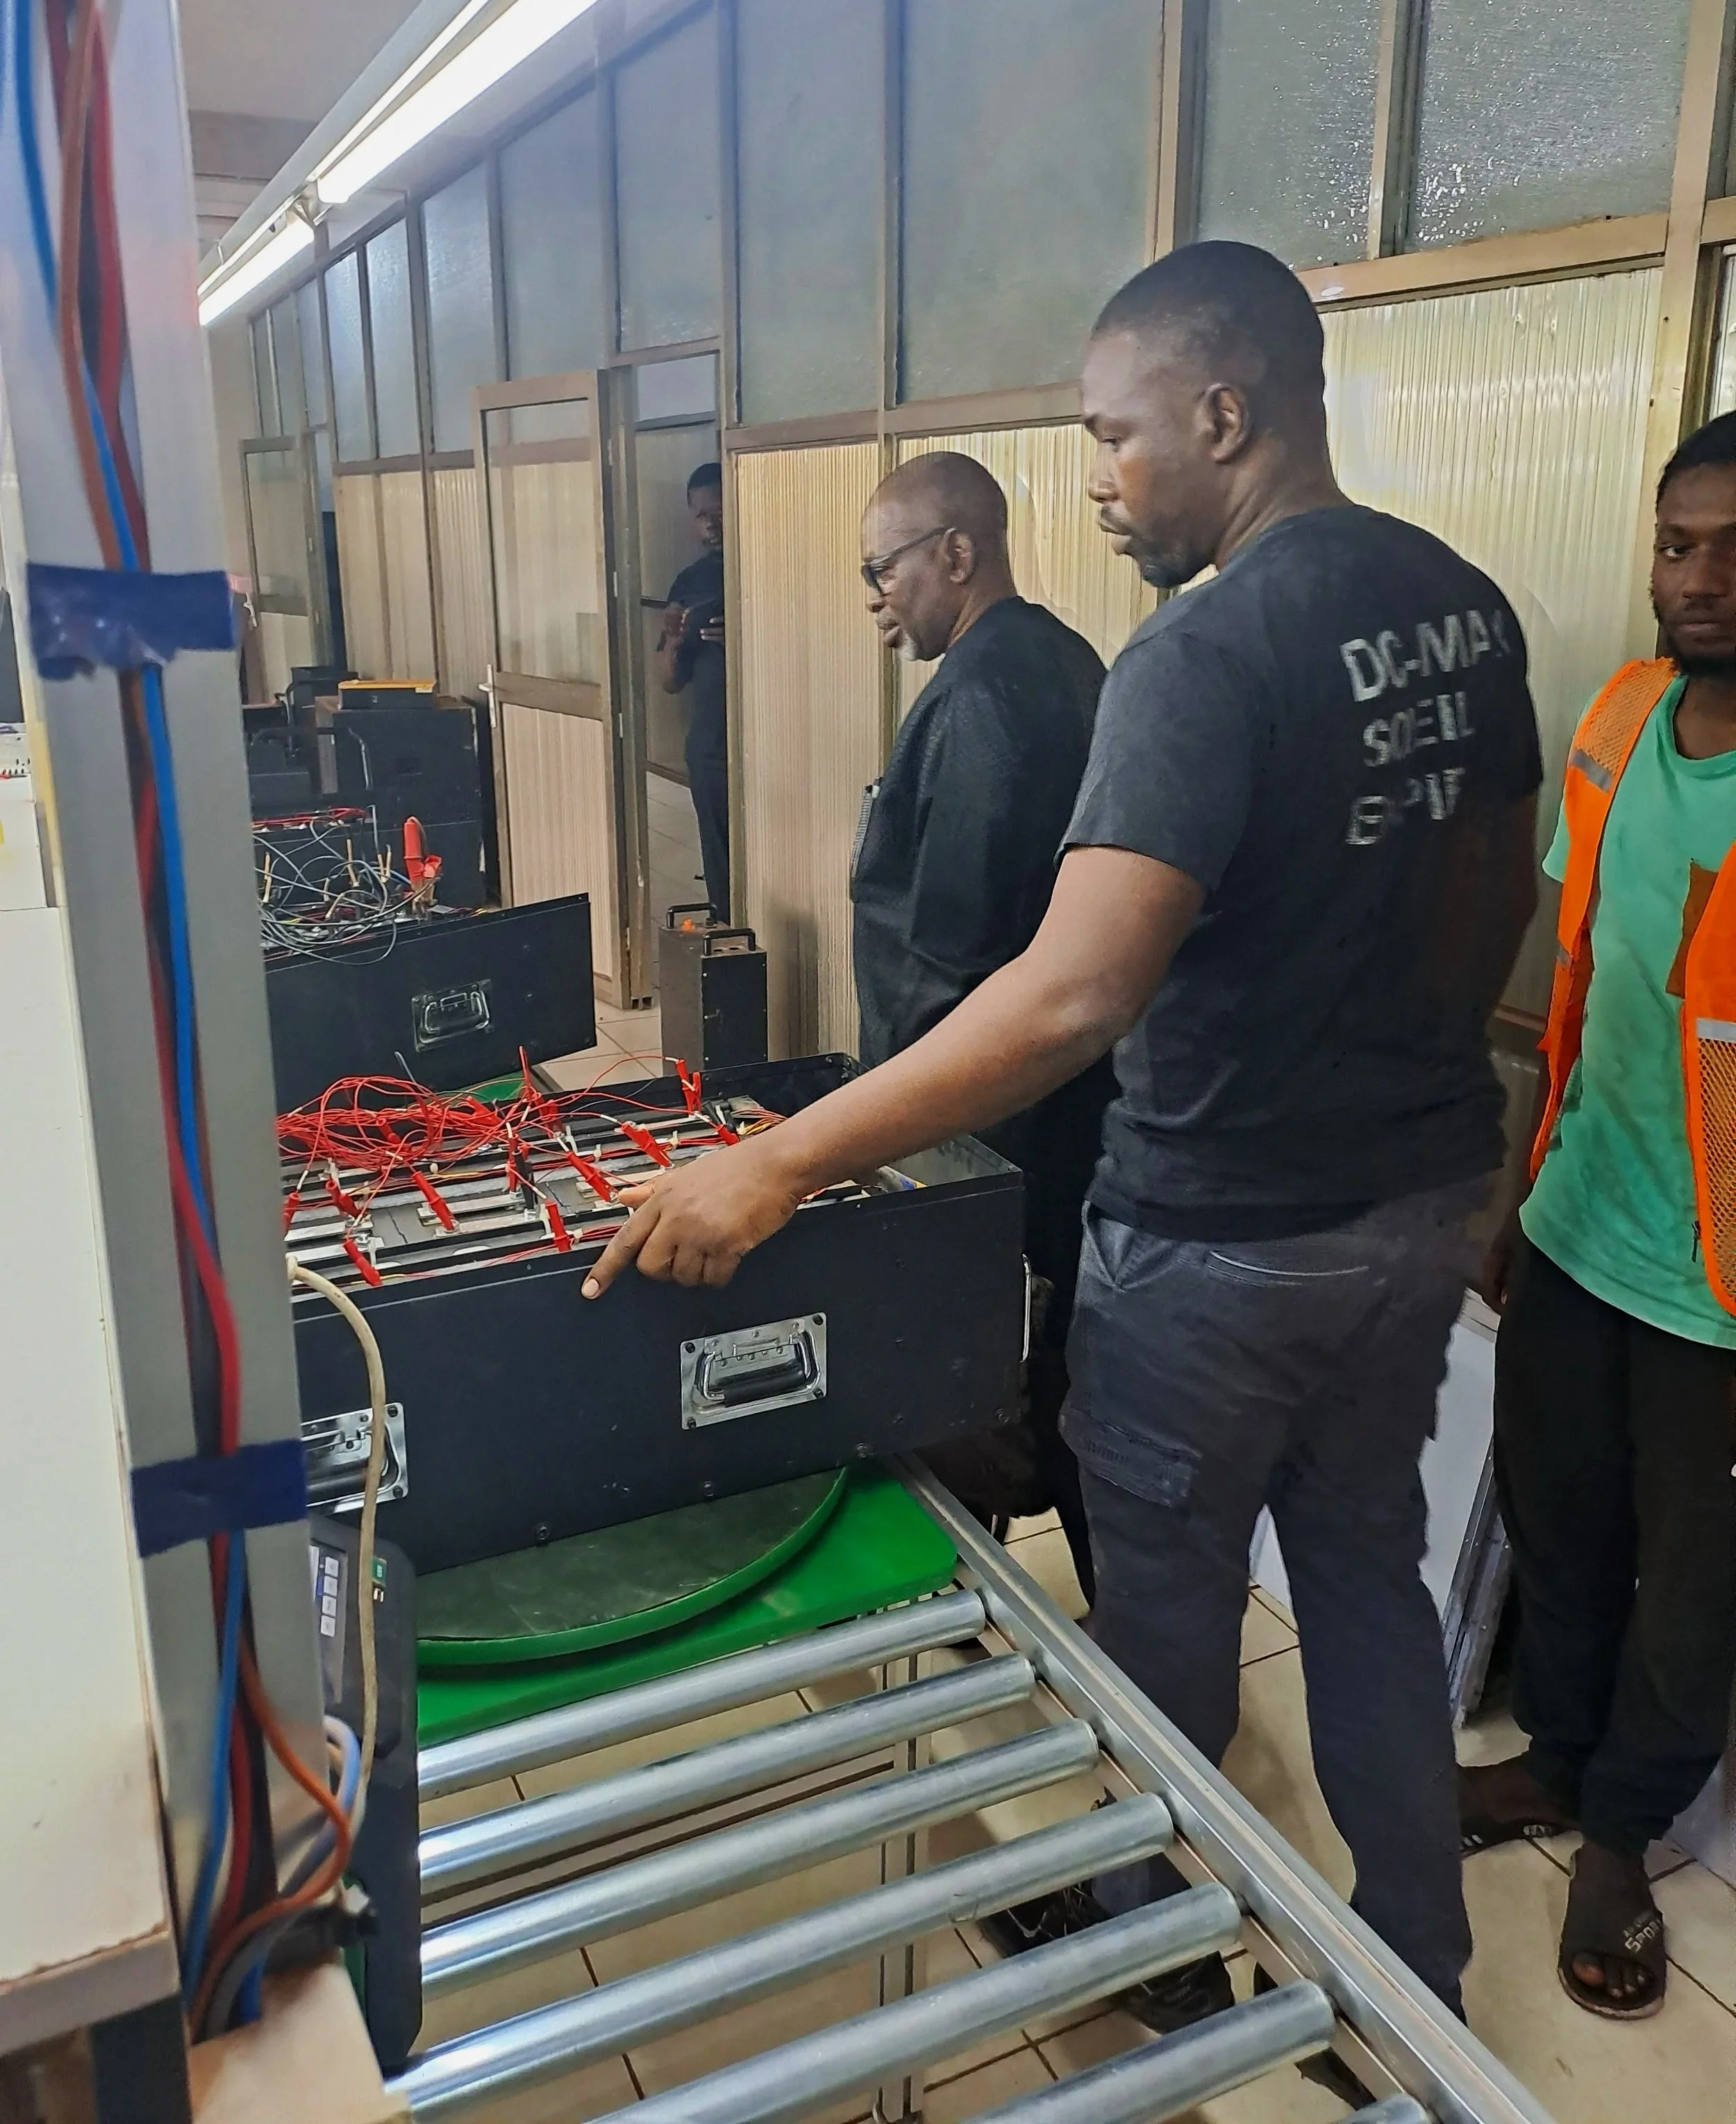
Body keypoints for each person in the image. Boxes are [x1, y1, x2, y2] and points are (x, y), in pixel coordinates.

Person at [583, 241, 1544, 2030]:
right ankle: (1419, 1976)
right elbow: (1507, 877)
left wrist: (780, 1160)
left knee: (1164, 1615)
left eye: (1114, 436)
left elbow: (1068, 994)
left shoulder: (1205, 649)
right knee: (1360, 1573)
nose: (1097, 482)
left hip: (1222, 1237)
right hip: (1412, 1207)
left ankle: (1146, 1943)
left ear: (1223, 411)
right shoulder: (1463, 605)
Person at [1461, 410, 1736, 2022]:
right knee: (1560, 1522)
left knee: (1692, 1583)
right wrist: (1522, 1188)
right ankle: (1556, 1760)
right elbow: (1585, 987)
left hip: (1720, 1293)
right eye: (1676, 544)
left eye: (1731, 553)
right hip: (1579, 1228)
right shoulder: (1625, 718)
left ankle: (1624, 1832)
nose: (1697, 582)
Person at [853, 450, 1112, 1603]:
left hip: (985, 1116)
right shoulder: (1062, 660)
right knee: (1069, 1367)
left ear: (956, 554)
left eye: (885, 570)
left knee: (977, 1375)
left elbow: (951, 951)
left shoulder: (980, 703)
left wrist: (879, 1116)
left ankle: (962, 1590)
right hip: (1072, 1108)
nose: (880, 599)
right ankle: (1116, 1620)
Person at [656, 462, 730, 919]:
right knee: (719, 862)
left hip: (773, 744)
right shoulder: (689, 581)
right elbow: (668, 680)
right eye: (701, 515)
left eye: (719, 511)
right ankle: (728, 936)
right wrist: (675, 642)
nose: (711, 524)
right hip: (709, 747)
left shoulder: (769, 568)